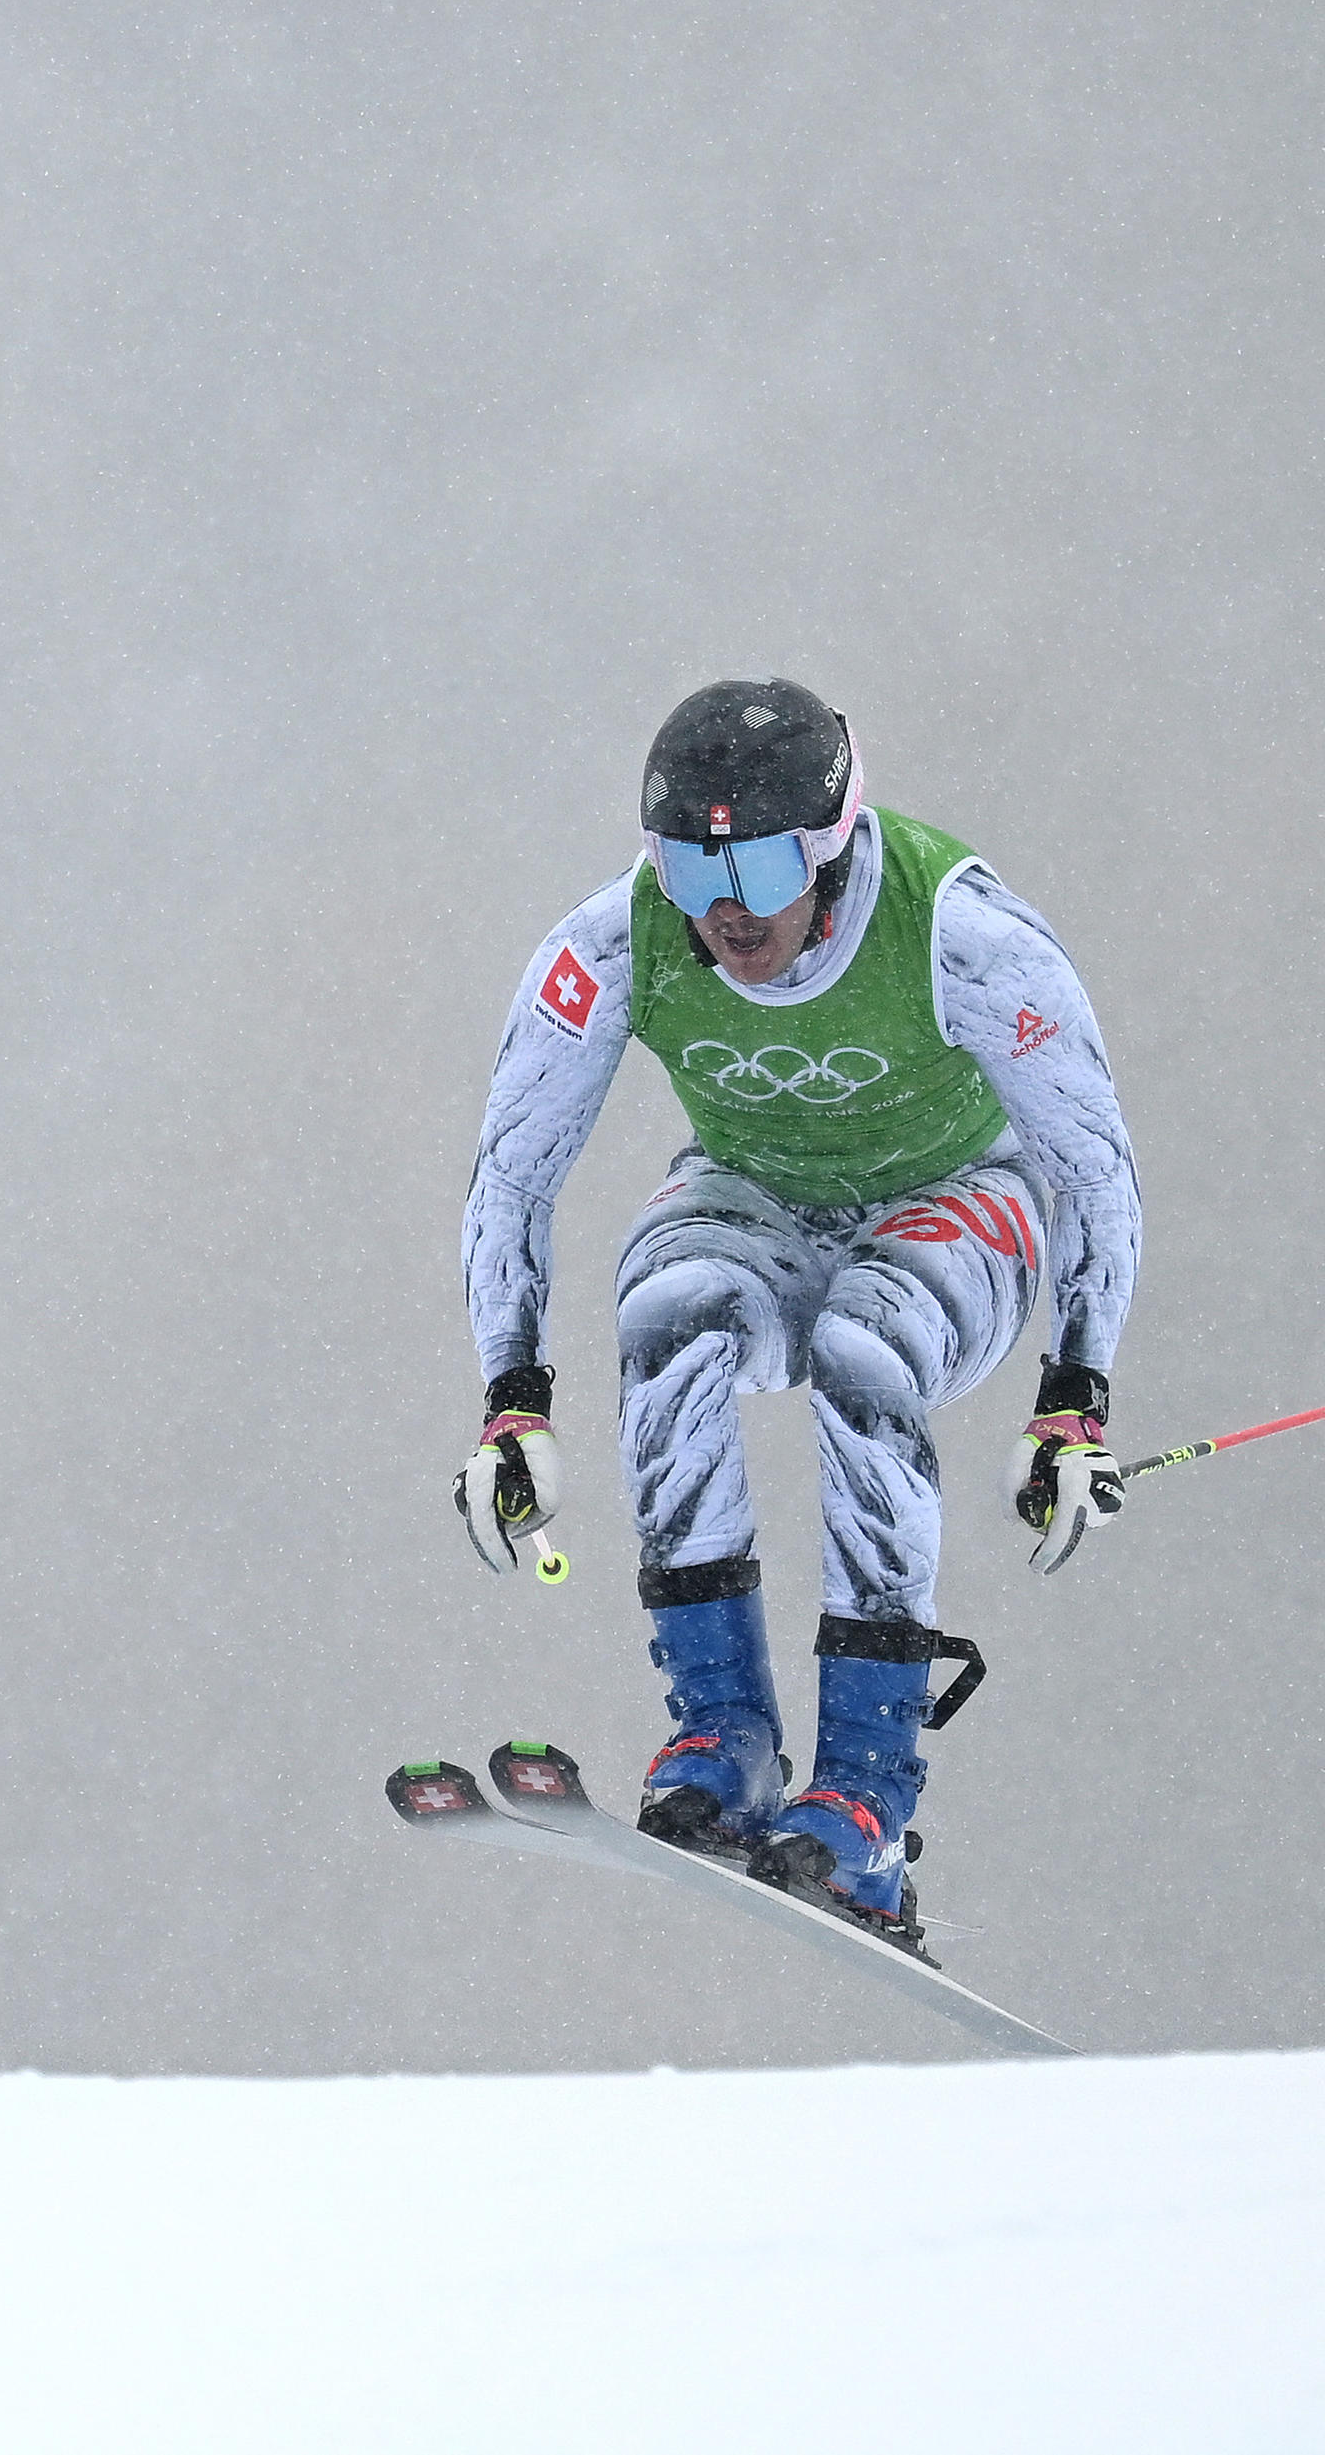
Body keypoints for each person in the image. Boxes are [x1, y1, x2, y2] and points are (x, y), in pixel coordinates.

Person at [453, 678, 1143, 1953]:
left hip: (957, 1199)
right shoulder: (613, 943)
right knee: (666, 1305)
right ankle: (723, 1732)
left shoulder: (959, 932)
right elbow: (512, 1173)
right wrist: (510, 1399)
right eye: (689, 865)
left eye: (764, 865)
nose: (727, 909)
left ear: (828, 847)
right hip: (757, 1195)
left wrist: (1074, 1398)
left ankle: (868, 1795)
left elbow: (1092, 1166)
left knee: (862, 1344)